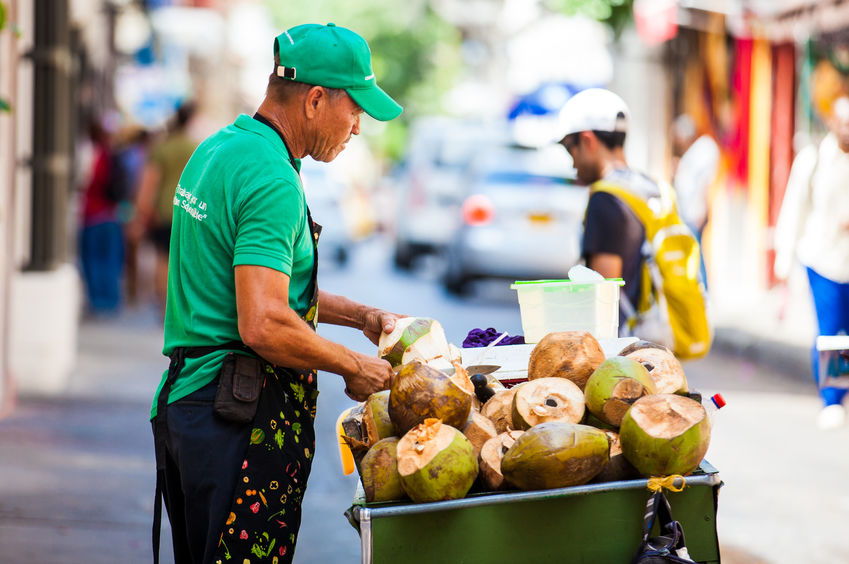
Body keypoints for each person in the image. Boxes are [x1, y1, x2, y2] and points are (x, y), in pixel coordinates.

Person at [150, 23, 404, 564]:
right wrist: (354, 366)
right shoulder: (272, 178)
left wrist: (359, 315)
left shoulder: (221, 148)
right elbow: (263, 320)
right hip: (235, 422)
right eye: (355, 110)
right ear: (315, 100)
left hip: (190, 410)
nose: (358, 127)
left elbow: (256, 285)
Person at [554, 88, 657, 332]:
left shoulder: (606, 199)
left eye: (569, 148)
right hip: (654, 338)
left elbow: (602, 299)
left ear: (587, 140)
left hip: (623, 344)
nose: (572, 162)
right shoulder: (651, 187)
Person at [774, 95, 849, 430]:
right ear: (832, 122)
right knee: (832, 334)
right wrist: (783, 261)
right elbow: (794, 210)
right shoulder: (814, 159)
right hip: (823, 260)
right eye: (843, 122)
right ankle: (832, 399)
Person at [128, 102, 198, 314]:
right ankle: (180, 308)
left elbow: (149, 182)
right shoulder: (195, 148)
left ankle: (164, 308)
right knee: (184, 262)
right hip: (190, 212)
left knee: (162, 259)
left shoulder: (162, 148)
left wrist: (141, 212)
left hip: (164, 213)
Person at [79, 118, 124, 314]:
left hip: (94, 214)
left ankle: (99, 301)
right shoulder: (112, 155)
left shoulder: (90, 154)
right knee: (110, 259)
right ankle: (110, 300)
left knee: (94, 259)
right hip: (110, 214)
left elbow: (85, 182)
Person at [671, 114, 720, 284]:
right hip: (689, 211)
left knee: (695, 254)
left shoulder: (704, 149)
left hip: (694, 213)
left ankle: (702, 290)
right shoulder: (695, 153)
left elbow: (705, 184)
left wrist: (704, 209)